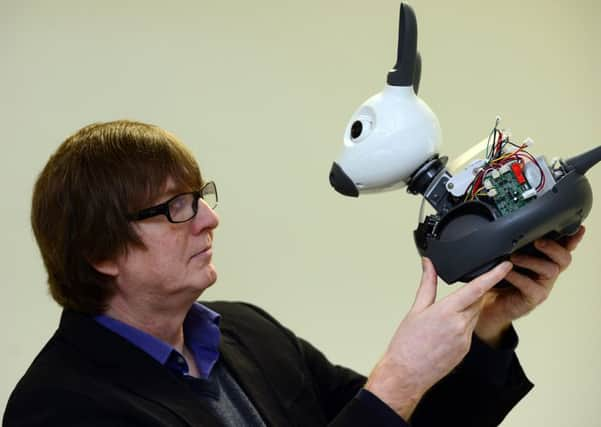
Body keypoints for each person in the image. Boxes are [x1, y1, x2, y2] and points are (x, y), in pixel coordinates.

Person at [3, 120, 585, 427]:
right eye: (175, 208)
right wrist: (396, 379)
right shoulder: (58, 405)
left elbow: (396, 423)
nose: (210, 219)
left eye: (200, 196)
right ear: (100, 252)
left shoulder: (247, 333)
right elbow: (384, 405)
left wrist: (487, 324)